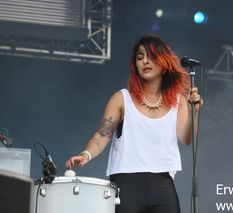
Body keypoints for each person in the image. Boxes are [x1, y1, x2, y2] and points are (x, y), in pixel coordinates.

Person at [66, 34, 203, 213]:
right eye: (140, 57)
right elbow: (102, 136)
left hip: (163, 184)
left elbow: (187, 138)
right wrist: (86, 154)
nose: (145, 61)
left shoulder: (179, 102)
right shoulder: (122, 99)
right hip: (126, 182)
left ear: (164, 62)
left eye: (151, 56)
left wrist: (194, 113)